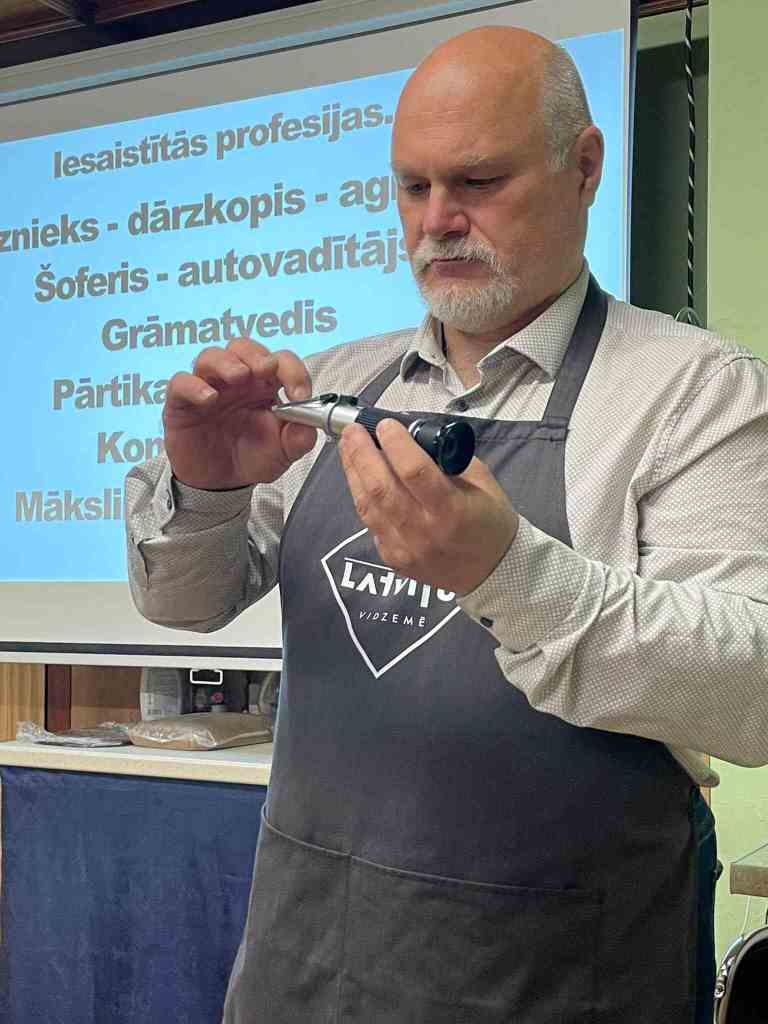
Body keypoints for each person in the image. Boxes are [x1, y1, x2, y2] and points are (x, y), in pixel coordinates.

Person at [125, 26, 768, 1024]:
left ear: (585, 167)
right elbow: (182, 604)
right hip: (306, 971)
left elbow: (752, 692)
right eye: (412, 187)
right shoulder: (334, 385)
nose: (437, 222)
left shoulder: (691, 393)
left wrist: (511, 576)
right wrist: (205, 490)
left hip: (561, 978)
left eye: (477, 181)